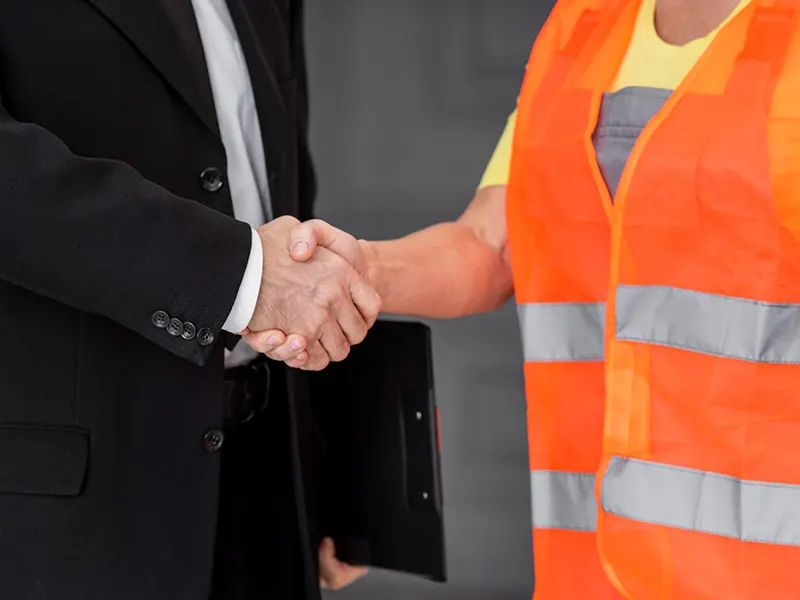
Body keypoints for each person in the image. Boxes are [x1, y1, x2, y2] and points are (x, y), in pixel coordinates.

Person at [248, 0, 800, 597]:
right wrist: (356, 272)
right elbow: (492, 244)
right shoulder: (583, 27)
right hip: (587, 568)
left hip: (762, 569)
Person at [0, 0, 375, 598]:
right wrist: (234, 276)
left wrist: (329, 469)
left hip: (265, 488)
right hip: (69, 511)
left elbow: (279, 190)